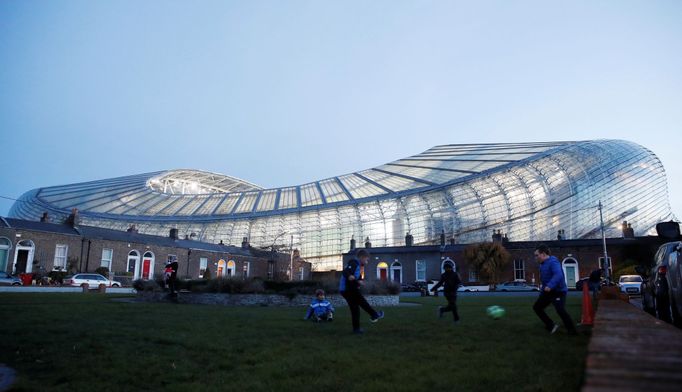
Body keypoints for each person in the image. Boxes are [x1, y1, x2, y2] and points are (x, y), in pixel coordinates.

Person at [532, 244, 577, 335]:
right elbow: (545, 280)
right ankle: (551, 325)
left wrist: (550, 285)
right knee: (537, 307)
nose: (535, 258)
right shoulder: (542, 265)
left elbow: (558, 275)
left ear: (543, 254)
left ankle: (572, 331)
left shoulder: (553, 262)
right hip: (547, 291)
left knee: (560, 310)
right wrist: (543, 291)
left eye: (537, 255)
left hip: (558, 292)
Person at [339, 249, 384, 334]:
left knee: (355, 308)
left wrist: (360, 281)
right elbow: (345, 271)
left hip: (348, 289)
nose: (367, 261)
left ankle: (356, 329)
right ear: (362, 257)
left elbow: (357, 277)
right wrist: (349, 275)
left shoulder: (359, 266)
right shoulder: (354, 263)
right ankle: (374, 315)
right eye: (366, 259)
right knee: (362, 301)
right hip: (348, 289)